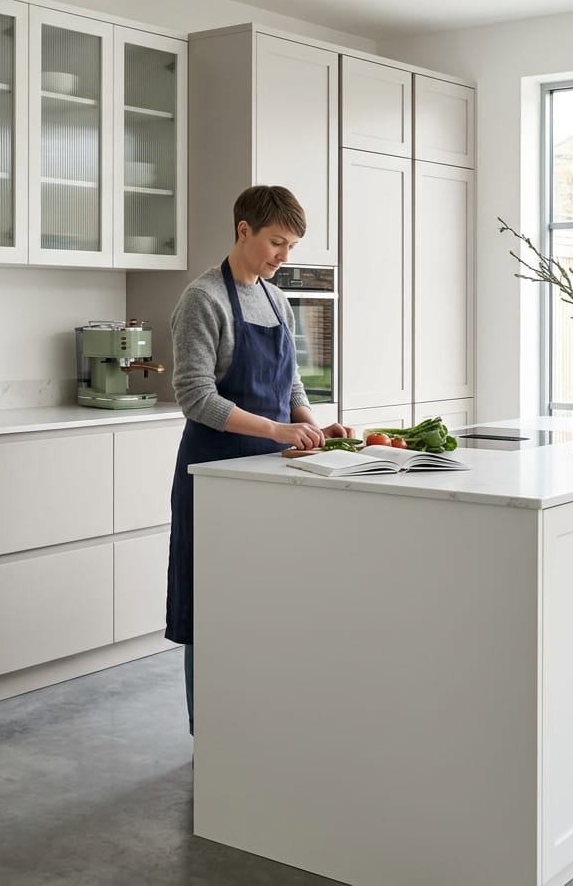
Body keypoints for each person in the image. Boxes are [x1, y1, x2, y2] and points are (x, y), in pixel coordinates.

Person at [165, 185, 354, 734]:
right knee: (211, 604)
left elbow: (290, 382)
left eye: (291, 245)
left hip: (272, 474)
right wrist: (278, 429)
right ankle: (214, 732)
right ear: (243, 230)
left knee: (265, 601)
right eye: (277, 242)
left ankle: (260, 728)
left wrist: (319, 431)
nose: (284, 257)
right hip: (216, 474)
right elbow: (196, 396)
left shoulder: (275, 298)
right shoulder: (203, 299)